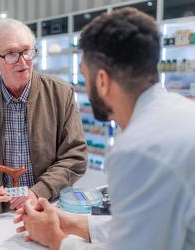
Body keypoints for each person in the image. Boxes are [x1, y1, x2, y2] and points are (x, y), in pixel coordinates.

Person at [14, 7, 195, 250]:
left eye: (85, 76)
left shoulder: (137, 149)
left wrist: (55, 239)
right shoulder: (179, 111)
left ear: (102, 80)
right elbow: (143, 226)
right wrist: (70, 222)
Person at [0, 18, 87, 216]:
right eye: (11, 54)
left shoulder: (61, 94)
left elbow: (75, 156)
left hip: (49, 207)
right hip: (0, 212)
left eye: (27, 51)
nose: (23, 61)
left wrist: (38, 192)